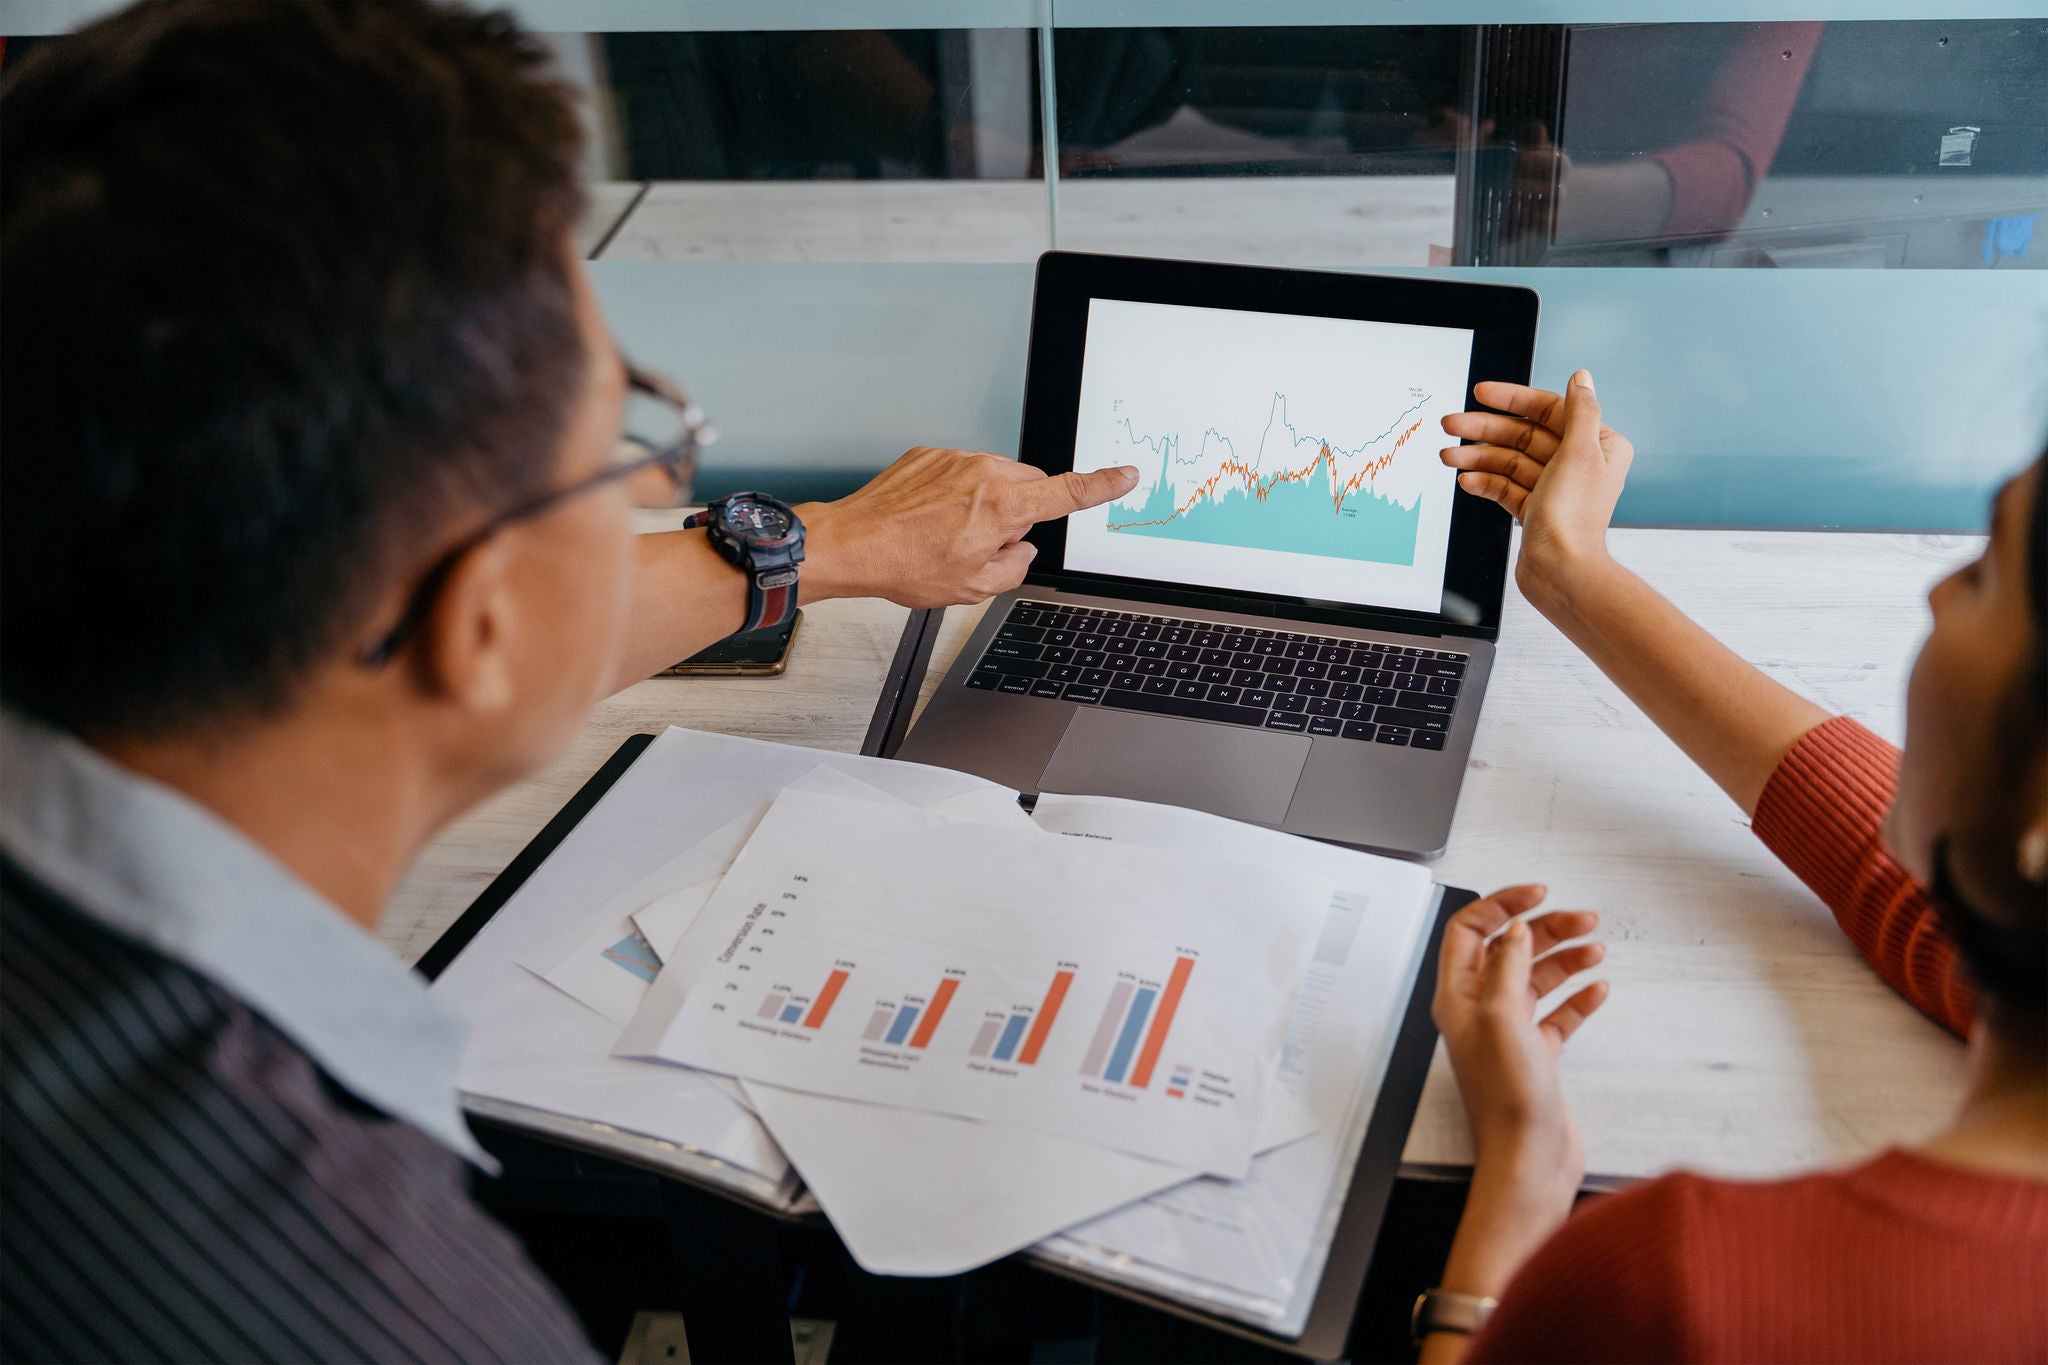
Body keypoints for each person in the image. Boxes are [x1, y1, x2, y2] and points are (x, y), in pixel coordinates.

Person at [0, 3, 1136, 1359]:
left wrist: (824, 544)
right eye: (626, 445)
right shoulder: (390, 1307)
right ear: (478, 619)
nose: (662, 491)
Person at [1415, 370, 2047, 1361]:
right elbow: (1900, 877)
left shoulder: (1680, 1285)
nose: (1932, 584)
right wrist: (1570, 570)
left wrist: (1513, 1196)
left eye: (1982, 577)